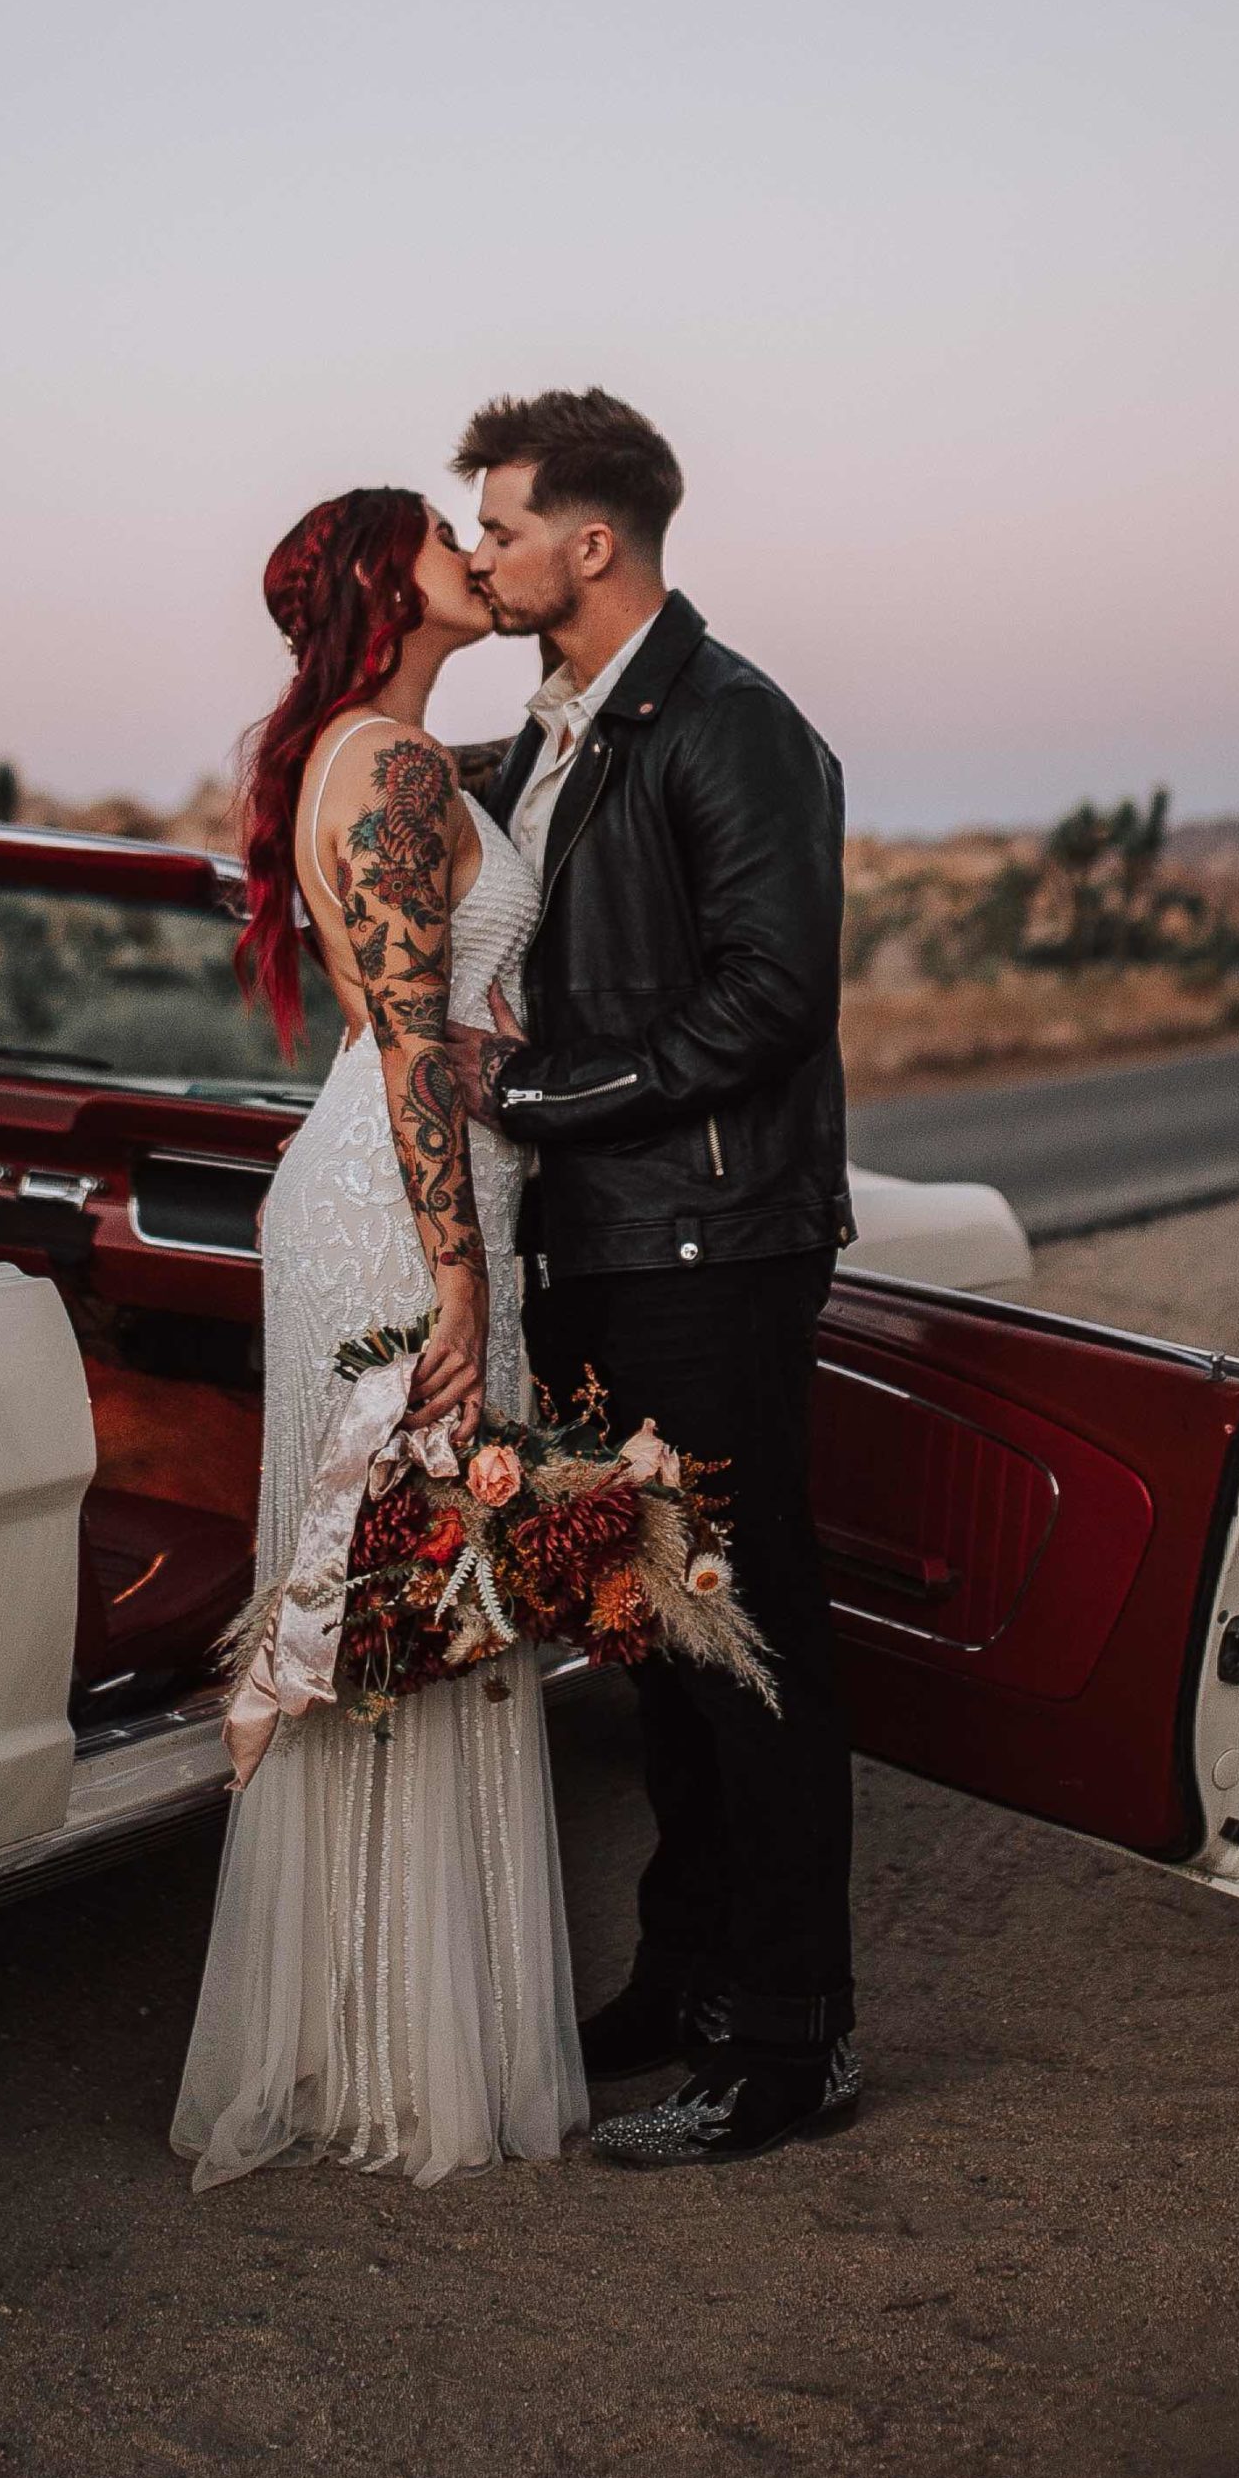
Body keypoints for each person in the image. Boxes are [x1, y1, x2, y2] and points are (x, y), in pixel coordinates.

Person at [450, 386, 860, 2167]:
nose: (483, 554)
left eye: (503, 528)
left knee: (744, 1640)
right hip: (602, 1243)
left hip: (710, 1239)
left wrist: (537, 1098)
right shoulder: (559, 729)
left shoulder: (734, 722)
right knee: (652, 1644)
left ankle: (789, 2044)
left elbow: (773, 998)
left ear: (590, 543)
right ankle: (683, 1978)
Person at [170, 487, 584, 2188]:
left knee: (410, 1604)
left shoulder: (379, 749)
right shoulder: (397, 768)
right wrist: (461, 1276)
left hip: (387, 1191)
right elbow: (417, 1040)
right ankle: (400, 2066)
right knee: (419, 1599)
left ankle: (376, 2035)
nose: (474, 558)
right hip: (401, 1217)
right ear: (378, 582)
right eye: (444, 536)